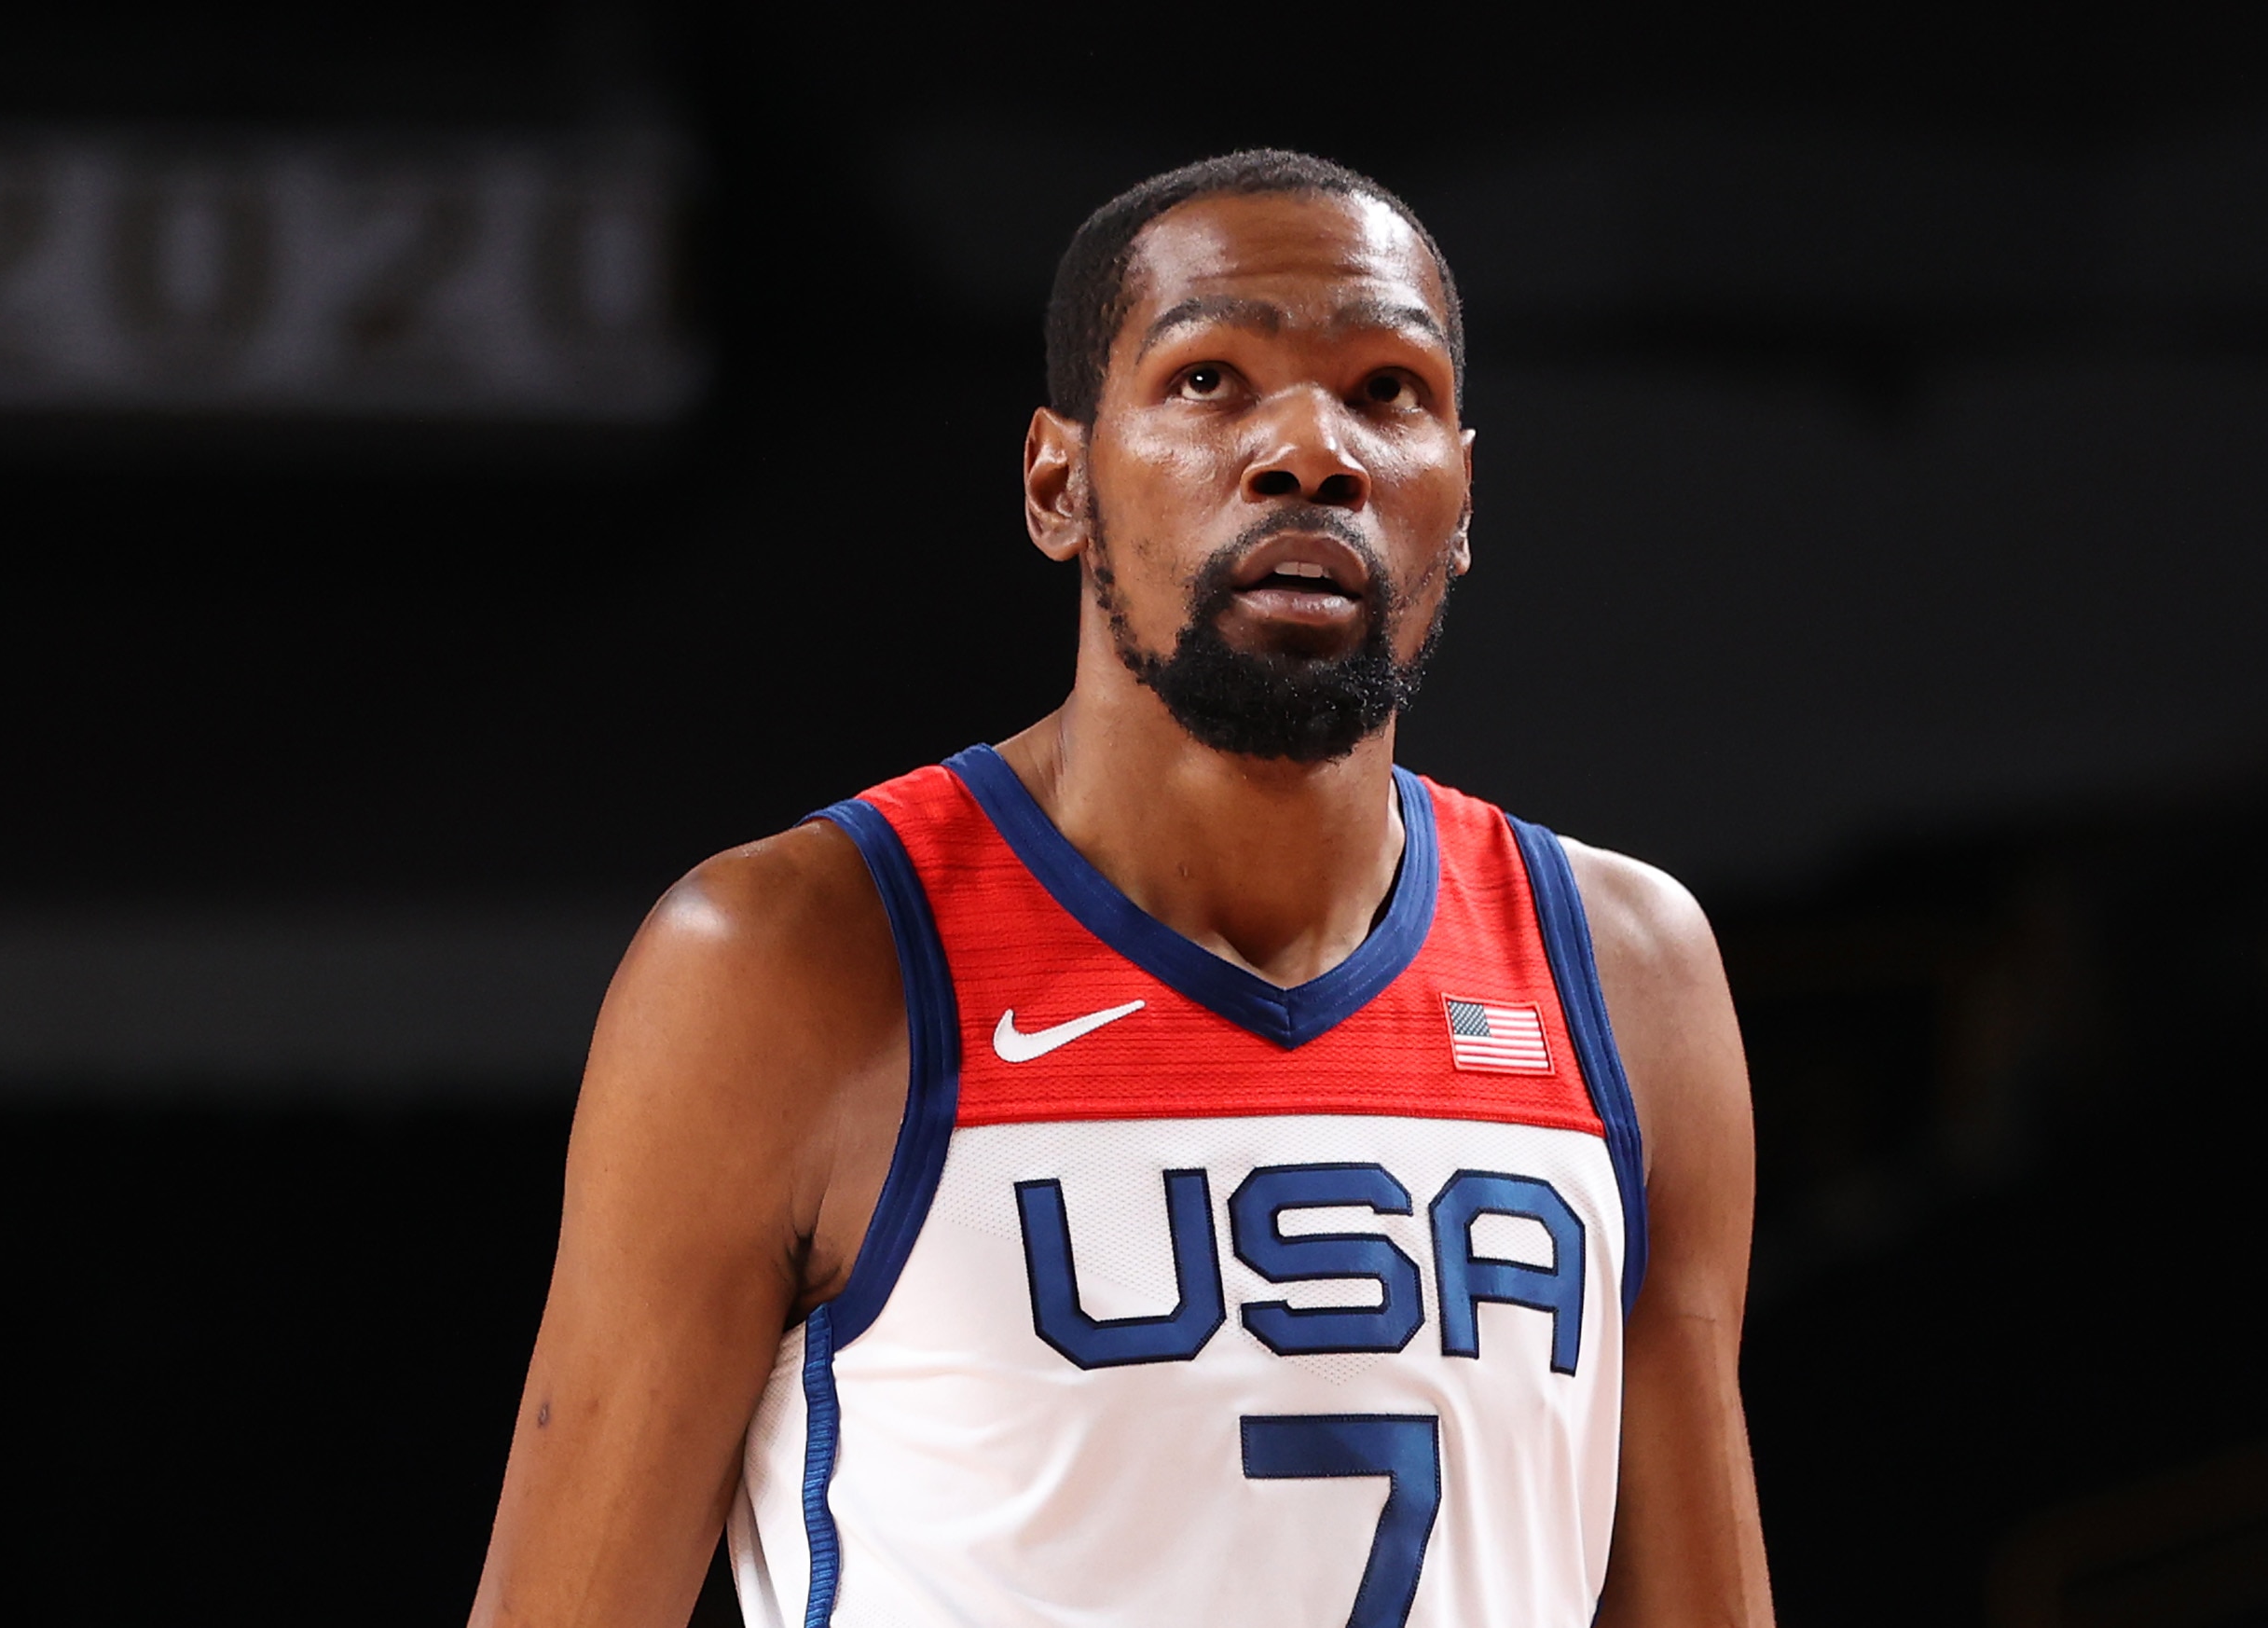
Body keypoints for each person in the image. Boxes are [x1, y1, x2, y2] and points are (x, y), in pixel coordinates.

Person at [469, 149, 1772, 1628]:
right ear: (1058, 480)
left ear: (1463, 501)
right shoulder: (790, 959)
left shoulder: (1626, 971)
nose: (1309, 449)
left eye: (1387, 390)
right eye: (1211, 378)